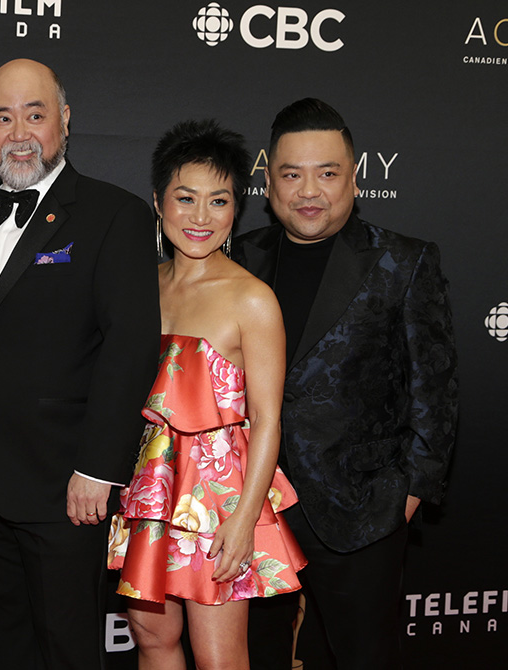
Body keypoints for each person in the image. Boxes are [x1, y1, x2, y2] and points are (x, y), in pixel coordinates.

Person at [0, 58, 160, 669]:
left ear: (65, 121)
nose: (19, 131)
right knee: (6, 642)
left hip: (64, 484)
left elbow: (129, 349)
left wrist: (101, 469)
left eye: (35, 113)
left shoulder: (116, 215)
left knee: (69, 647)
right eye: (3, 116)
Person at [236, 98, 458, 669]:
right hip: (250, 513)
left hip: (361, 512)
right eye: (292, 173)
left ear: (354, 179)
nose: (309, 190)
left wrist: (406, 496)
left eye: (327, 173)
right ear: (269, 182)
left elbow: (434, 391)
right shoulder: (238, 259)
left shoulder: (403, 261)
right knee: (256, 656)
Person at [106, 120, 306, 670]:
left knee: (219, 658)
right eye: (185, 198)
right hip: (150, 484)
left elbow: (267, 420)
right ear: (158, 200)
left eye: (218, 201)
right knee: (152, 639)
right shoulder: (141, 286)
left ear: (236, 209)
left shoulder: (253, 300)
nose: (200, 217)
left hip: (216, 497)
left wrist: (244, 519)